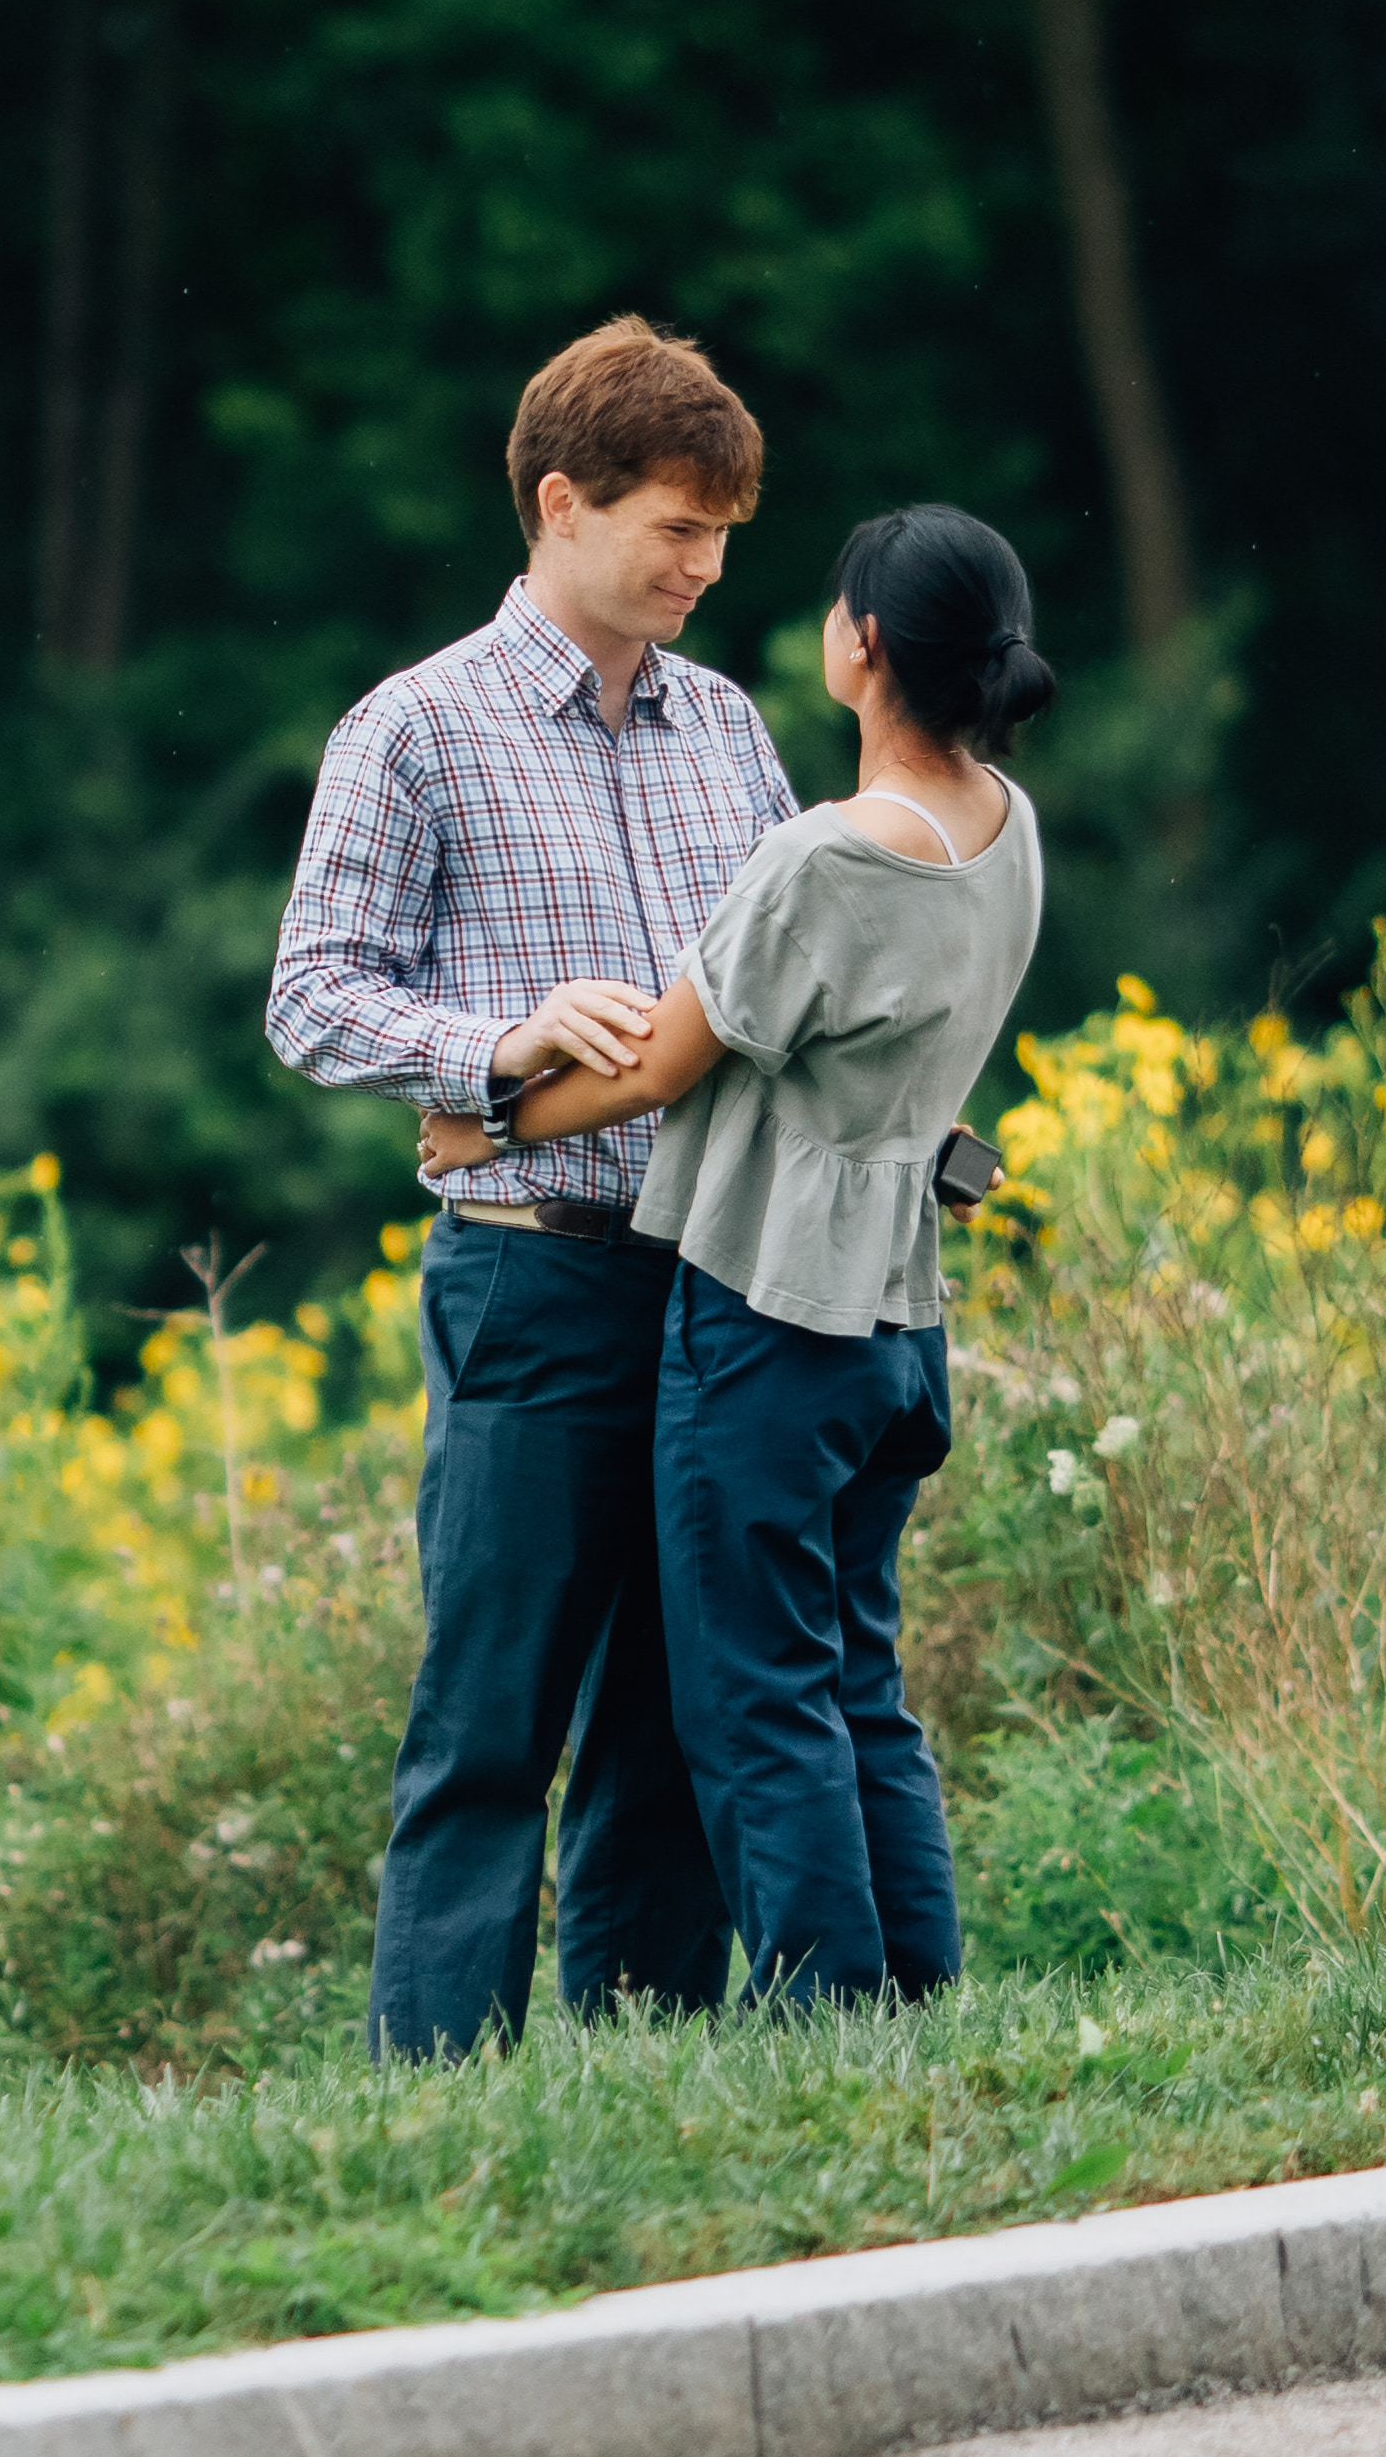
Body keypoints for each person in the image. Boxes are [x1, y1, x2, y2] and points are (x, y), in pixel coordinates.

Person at [267, 317, 794, 2057]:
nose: (706, 567)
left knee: (671, 1708)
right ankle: (441, 2090)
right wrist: (497, 1053)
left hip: (717, 1276)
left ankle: (641, 2066)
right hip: (532, 1279)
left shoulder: (728, 730)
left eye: (723, 533)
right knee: (492, 1709)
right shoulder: (414, 727)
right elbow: (314, 996)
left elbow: (786, 985)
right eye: (675, 527)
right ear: (560, 503)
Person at [454, 504, 1054, 2008]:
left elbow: (664, 1063)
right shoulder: (1007, 827)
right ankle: (914, 1994)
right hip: (901, 1316)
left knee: (757, 1692)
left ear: (861, 646)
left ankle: (826, 2010)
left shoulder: (825, 860)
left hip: (772, 1315)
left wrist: (488, 1124)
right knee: (860, 1680)